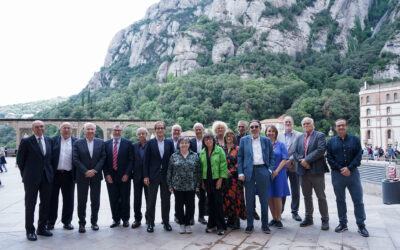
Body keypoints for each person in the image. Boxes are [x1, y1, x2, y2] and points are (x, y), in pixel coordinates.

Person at [327, 118, 369, 237]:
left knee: (358, 201)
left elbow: (358, 155)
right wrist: (341, 168)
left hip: (353, 174)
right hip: (337, 175)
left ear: (346, 127)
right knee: (340, 200)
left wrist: (349, 168)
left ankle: (361, 225)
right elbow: (329, 158)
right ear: (335, 128)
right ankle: (343, 223)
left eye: (343, 125)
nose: (341, 127)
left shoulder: (355, 140)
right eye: (338, 126)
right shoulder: (330, 142)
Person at [17, 120, 54, 241]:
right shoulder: (26, 141)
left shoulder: (49, 140)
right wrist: (26, 175)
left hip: (46, 178)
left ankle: (42, 228)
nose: (40, 128)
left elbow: (51, 159)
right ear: (33, 129)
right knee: (30, 204)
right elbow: (20, 161)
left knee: (45, 204)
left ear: (45, 128)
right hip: (31, 179)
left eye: (42, 126)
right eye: (37, 127)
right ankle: (30, 230)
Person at [238, 120, 274, 234]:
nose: (254, 129)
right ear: (249, 129)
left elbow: (272, 156)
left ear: (260, 128)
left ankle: (265, 225)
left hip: (262, 170)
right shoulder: (244, 140)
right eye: (252, 127)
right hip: (249, 171)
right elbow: (240, 157)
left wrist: (270, 170)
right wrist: (241, 173)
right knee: (249, 199)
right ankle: (249, 224)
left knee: (264, 199)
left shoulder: (266, 140)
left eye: (256, 127)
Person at [293, 117, 329, 231]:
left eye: (308, 123)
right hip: (303, 172)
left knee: (321, 196)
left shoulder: (320, 135)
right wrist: (302, 161)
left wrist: (307, 160)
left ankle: (325, 219)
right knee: (307, 196)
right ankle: (309, 218)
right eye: (304, 124)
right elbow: (295, 153)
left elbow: (320, 150)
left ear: (313, 124)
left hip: (316, 171)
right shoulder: (299, 138)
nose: (306, 125)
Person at [73, 122, 106, 233]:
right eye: (88, 129)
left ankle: (94, 222)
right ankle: (82, 223)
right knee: (82, 201)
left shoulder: (101, 143)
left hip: (96, 176)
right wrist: (85, 171)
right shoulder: (77, 143)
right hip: (82, 176)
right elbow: (75, 159)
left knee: (95, 200)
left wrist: (95, 170)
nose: (90, 131)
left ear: (95, 131)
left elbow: (103, 157)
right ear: (84, 130)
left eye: (92, 129)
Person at [143, 121, 174, 233]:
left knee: (166, 200)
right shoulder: (150, 143)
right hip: (153, 176)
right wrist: (146, 176)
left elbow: (172, 160)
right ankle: (151, 223)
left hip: (166, 175)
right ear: (155, 130)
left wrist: (172, 176)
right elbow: (145, 161)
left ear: (165, 130)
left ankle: (166, 223)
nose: (160, 130)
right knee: (151, 200)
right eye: (158, 128)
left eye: (162, 128)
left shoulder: (169, 143)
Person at [167, 137, 201, 234]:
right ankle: (181, 223)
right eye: (182, 143)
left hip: (191, 185)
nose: (184, 144)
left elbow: (198, 171)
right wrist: (170, 185)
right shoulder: (174, 156)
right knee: (179, 206)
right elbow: (169, 171)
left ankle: (188, 223)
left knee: (190, 206)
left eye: (186, 143)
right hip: (178, 186)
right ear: (179, 144)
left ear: (189, 144)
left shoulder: (194, 156)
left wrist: (197, 184)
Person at [47, 122, 77, 231]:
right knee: (52, 199)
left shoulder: (76, 142)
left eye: (69, 128)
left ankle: (67, 222)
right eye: (64, 128)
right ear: (60, 129)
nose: (67, 130)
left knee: (69, 200)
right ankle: (50, 222)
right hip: (55, 175)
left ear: (71, 130)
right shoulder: (52, 140)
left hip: (69, 175)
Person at [104, 125, 134, 228]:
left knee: (125, 198)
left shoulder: (128, 143)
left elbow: (131, 160)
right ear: (112, 131)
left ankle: (125, 219)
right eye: (115, 130)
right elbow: (104, 161)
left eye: (119, 130)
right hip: (111, 177)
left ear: (122, 132)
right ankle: (115, 219)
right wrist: (106, 174)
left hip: (124, 176)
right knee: (113, 198)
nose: (117, 132)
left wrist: (127, 174)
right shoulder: (106, 144)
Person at [199, 133, 227, 235]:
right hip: (207, 181)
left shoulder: (219, 150)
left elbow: (223, 165)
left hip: (217, 180)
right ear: (204, 142)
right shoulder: (202, 152)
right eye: (206, 140)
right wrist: (202, 181)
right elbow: (201, 168)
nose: (208, 141)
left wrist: (220, 179)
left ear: (213, 140)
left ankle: (221, 226)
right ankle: (211, 224)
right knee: (210, 203)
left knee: (218, 203)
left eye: (210, 139)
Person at [278, 116, 302, 222]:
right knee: (282, 189)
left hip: (294, 165)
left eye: (289, 122)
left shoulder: (299, 135)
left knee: (295, 189)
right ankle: (280, 211)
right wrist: (284, 161)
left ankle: (295, 211)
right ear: (283, 124)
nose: (288, 123)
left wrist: (290, 160)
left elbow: (300, 150)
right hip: (282, 166)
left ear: (292, 123)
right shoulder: (278, 135)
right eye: (286, 122)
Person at [265, 125, 290, 229]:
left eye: (272, 131)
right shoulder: (264, 145)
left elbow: (284, 159)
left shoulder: (281, 145)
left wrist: (276, 171)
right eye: (268, 131)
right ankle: (273, 218)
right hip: (267, 173)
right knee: (269, 196)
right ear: (266, 133)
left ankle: (278, 219)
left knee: (277, 196)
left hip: (279, 173)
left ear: (275, 133)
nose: (270, 133)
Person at [222, 129, 246, 230]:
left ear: (234, 138)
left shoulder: (238, 148)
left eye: (231, 136)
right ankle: (230, 219)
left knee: (236, 199)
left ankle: (236, 220)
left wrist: (231, 171)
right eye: (227, 136)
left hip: (235, 178)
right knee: (226, 199)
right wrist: (224, 171)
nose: (229, 137)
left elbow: (240, 162)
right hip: (224, 178)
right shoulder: (221, 149)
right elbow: (219, 162)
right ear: (225, 138)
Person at [189, 122, 207, 225]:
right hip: (193, 172)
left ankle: (201, 216)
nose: (198, 131)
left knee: (202, 196)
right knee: (191, 196)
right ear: (194, 131)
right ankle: (191, 217)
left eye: (200, 129)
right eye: (196, 129)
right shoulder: (191, 142)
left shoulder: (207, 140)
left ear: (203, 130)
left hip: (204, 172)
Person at [131, 127, 149, 229]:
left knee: (149, 199)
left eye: (143, 133)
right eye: (139, 134)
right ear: (137, 136)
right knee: (137, 200)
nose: (141, 135)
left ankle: (148, 218)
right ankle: (137, 219)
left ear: (146, 134)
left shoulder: (150, 145)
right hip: (137, 177)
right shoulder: (134, 146)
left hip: (148, 178)